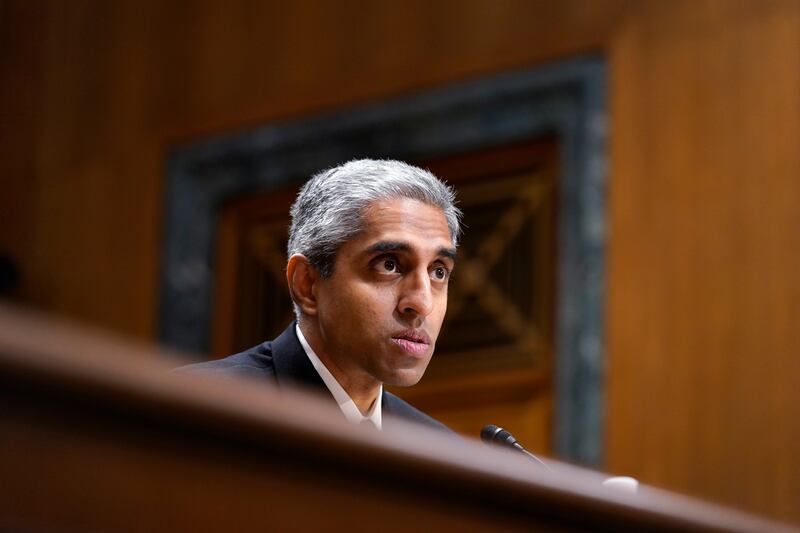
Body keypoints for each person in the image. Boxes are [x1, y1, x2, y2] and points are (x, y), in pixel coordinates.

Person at [178, 159, 461, 432]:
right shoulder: (197, 407)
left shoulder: (441, 449)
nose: (422, 303)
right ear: (307, 284)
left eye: (438, 272)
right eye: (389, 265)